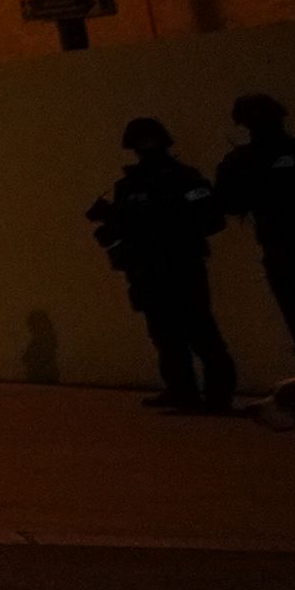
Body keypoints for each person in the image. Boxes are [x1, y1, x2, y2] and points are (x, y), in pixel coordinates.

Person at [92, 116, 236, 413]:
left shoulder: (184, 178)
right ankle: (182, 391)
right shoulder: (129, 186)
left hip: (181, 264)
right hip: (147, 269)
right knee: (164, 334)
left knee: (200, 330)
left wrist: (158, 224)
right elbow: (120, 228)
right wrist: (112, 225)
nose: (146, 149)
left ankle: (217, 396)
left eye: (150, 142)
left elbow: (211, 219)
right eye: (141, 143)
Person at [212, 94, 295, 382]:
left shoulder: (246, 160)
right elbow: (228, 203)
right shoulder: (244, 160)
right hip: (281, 250)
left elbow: (229, 203)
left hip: (283, 250)